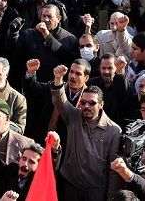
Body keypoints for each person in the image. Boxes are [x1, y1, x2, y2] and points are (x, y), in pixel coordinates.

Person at [51, 65, 122, 201]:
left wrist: (111, 197)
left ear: (101, 104)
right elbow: (60, 101)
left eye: (92, 103)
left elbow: (113, 169)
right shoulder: (74, 116)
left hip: (95, 191)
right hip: (70, 185)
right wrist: (58, 79)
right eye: (83, 102)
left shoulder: (114, 131)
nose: (86, 106)